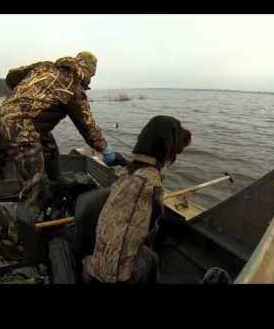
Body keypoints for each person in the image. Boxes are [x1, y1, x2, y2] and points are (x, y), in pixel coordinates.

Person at [0, 52, 121, 217]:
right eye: (91, 75)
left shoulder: (45, 66)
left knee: (50, 147)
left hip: (7, 114)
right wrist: (106, 150)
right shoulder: (73, 88)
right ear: (89, 72)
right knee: (33, 183)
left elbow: (12, 75)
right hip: (20, 127)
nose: (90, 79)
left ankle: (56, 180)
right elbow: (88, 128)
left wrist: (24, 94)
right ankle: (31, 217)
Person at [82, 115, 192, 283]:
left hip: (94, 266)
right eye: (179, 130)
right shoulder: (151, 186)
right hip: (114, 278)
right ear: (167, 143)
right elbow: (150, 227)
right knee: (152, 259)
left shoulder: (127, 174)